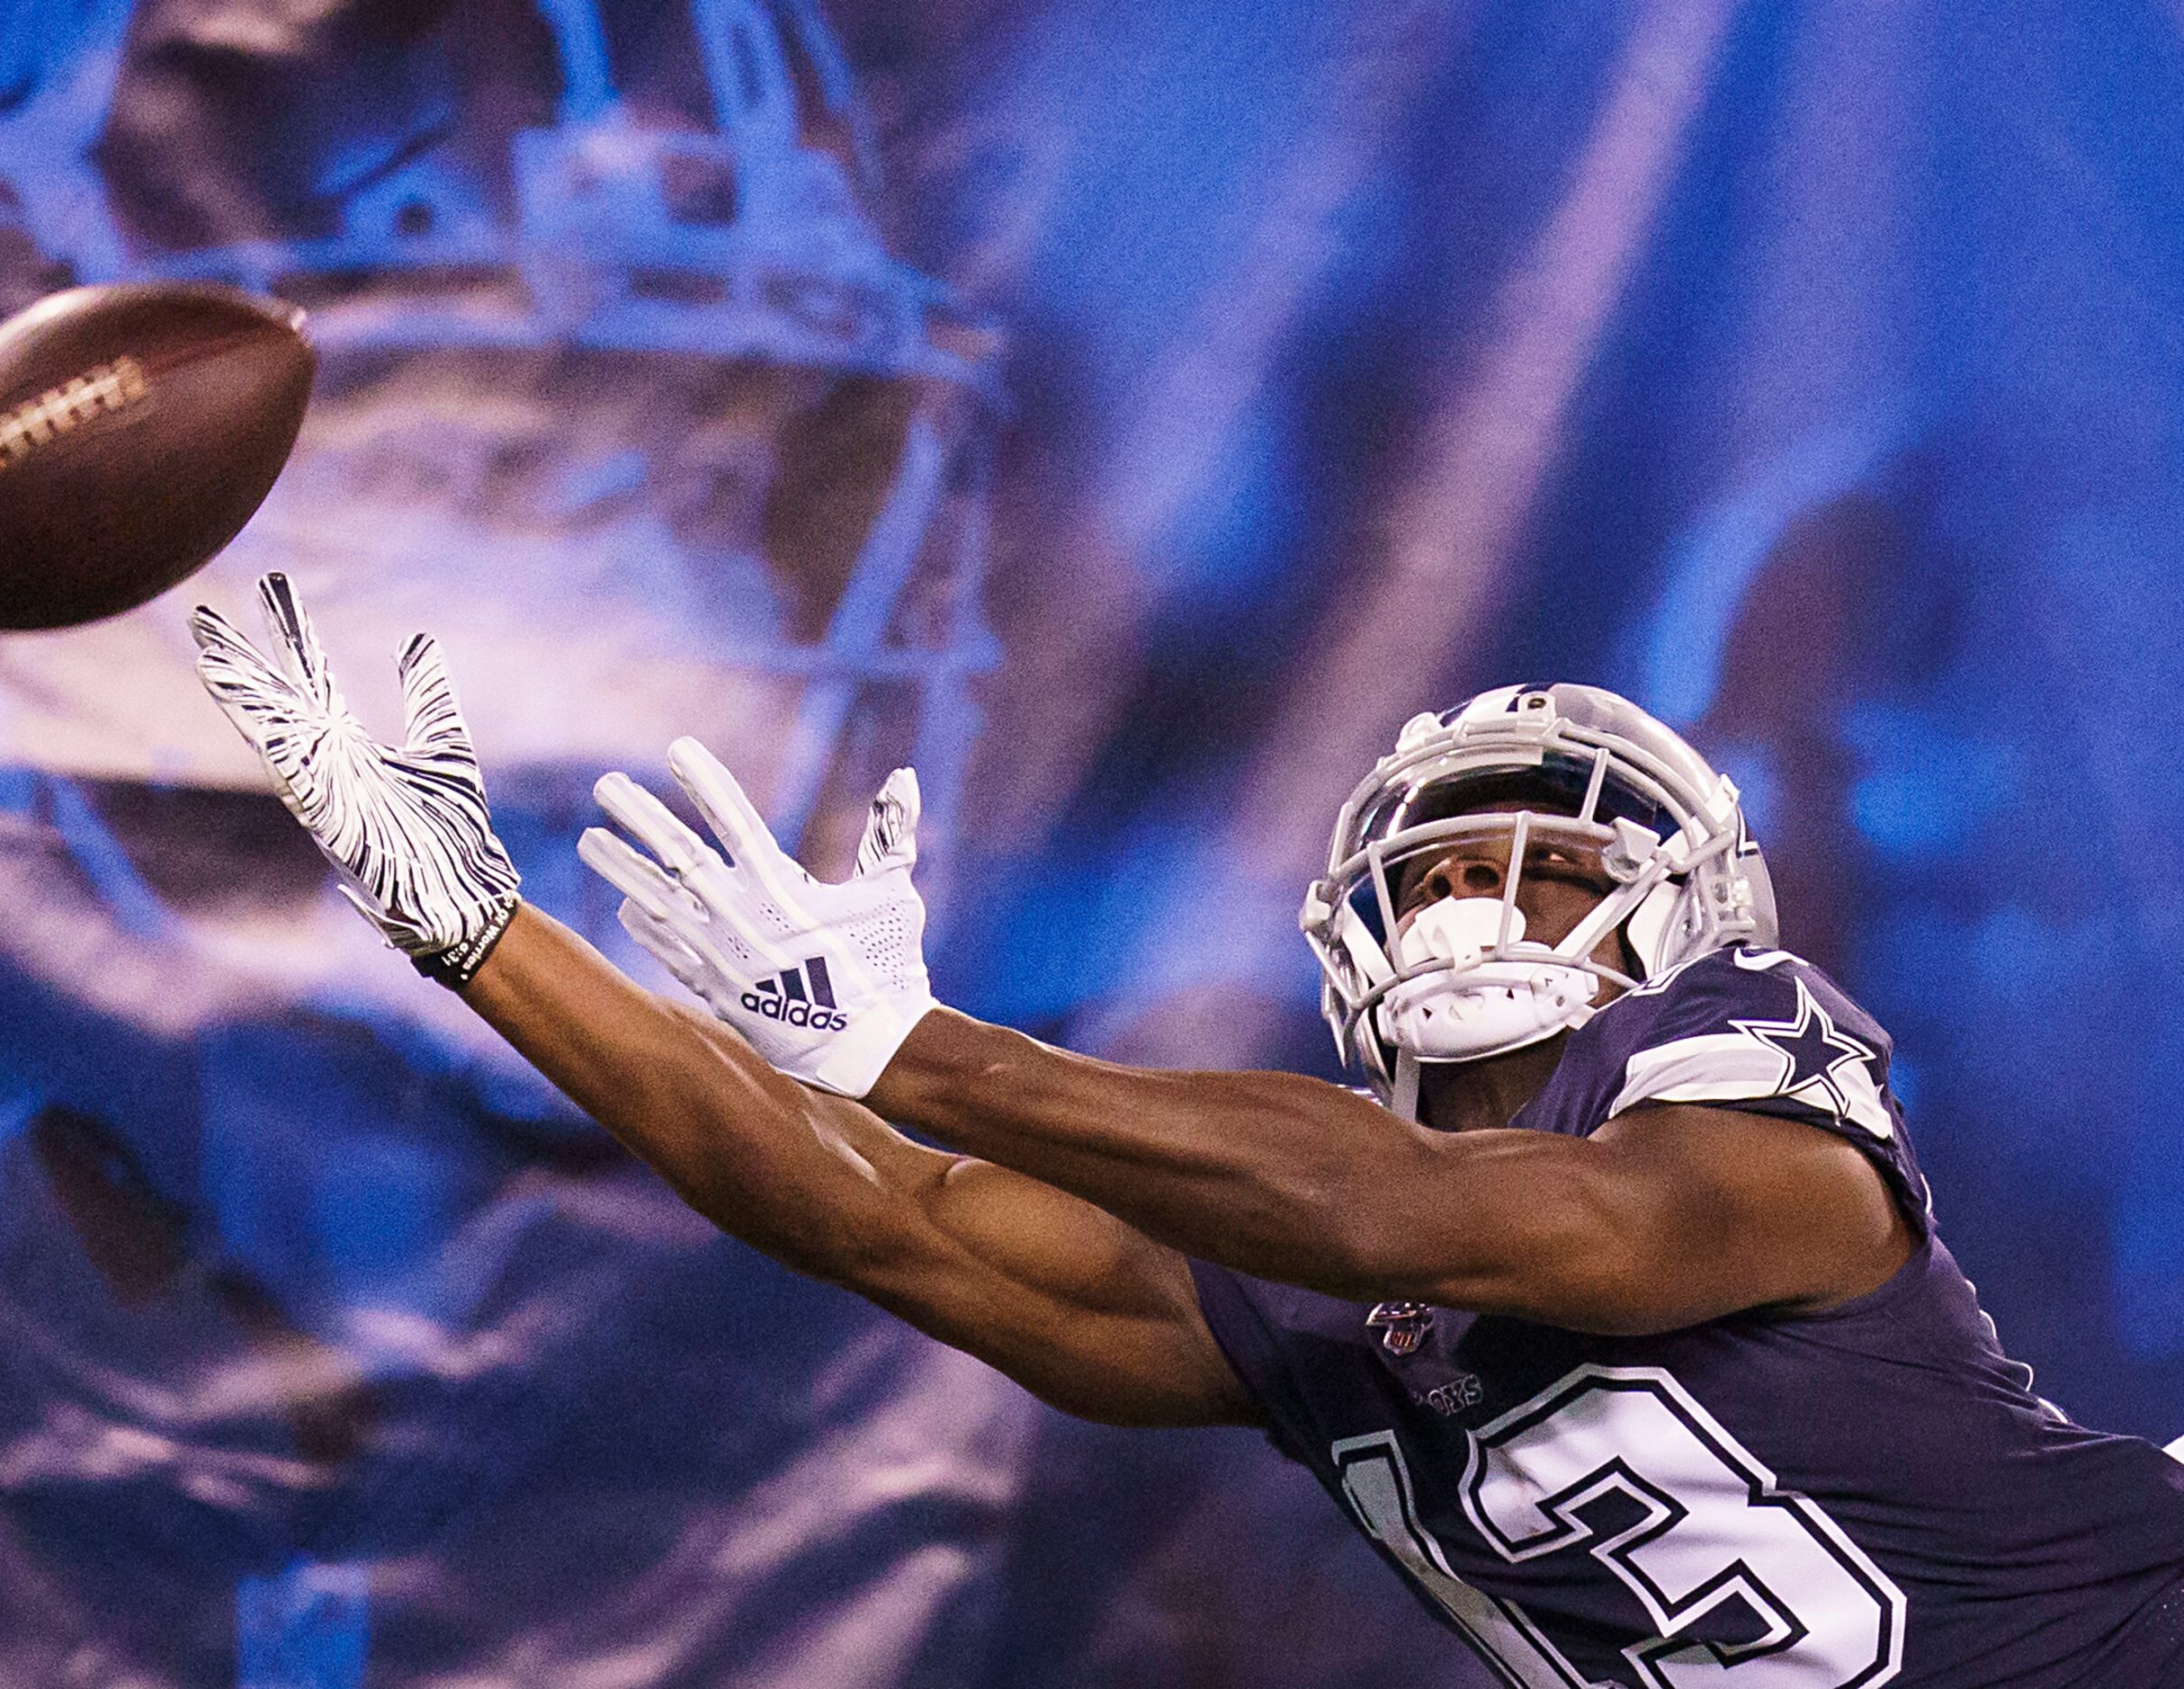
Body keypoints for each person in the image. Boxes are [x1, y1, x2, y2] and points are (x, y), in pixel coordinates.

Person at [193, 574, 2184, 1688]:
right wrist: (478, 931)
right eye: (1441, 867)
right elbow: (899, 1224)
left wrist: (919, 1046)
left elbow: (1467, 1223)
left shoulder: (1748, 1098)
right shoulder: (1303, 1275)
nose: (1482, 906)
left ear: (1678, 920)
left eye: (1548, 868)